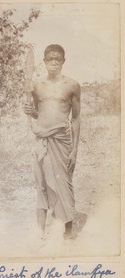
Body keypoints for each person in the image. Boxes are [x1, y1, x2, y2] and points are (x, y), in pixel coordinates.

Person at [24, 44, 81, 240]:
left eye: (58, 59)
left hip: (62, 141)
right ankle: (40, 231)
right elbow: (39, 113)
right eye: (50, 59)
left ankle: (67, 231)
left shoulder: (72, 86)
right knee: (41, 182)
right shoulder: (37, 86)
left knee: (63, 182)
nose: (54, 63)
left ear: (63, 62)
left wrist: (74, 150)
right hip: (42, 140)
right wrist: (31, 112)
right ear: (45, 62)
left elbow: (75, 118)